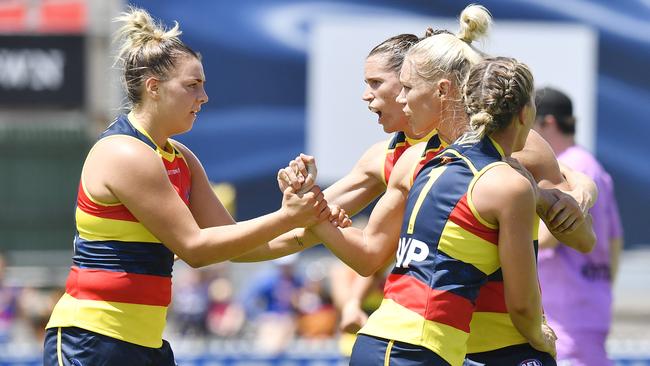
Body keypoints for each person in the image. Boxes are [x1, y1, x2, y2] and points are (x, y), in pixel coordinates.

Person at [42, 7, 332, 365]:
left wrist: (315, 229)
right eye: (193, 85)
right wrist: (289, 217)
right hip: (93, 340)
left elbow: (234, 243)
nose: (204, 97)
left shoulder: (180, 157)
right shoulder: (125, 152)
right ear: (154, 88)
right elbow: (196, 249)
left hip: (143, 344)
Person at [308, 56, 555, 366]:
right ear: (524, 114)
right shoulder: (507, 184)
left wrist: (314, 216)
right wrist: (540, 337)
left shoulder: (423, 161)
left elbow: (372, 253)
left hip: (385, 341)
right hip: (415, 350)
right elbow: (522, 305)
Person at [534, 87, 624, 366]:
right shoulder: (591, 164)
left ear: (547, 123)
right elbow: (615, 241)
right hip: (586, 309)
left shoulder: (570, 167)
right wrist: (598, 287)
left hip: (566, 318)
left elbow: (548, 236)